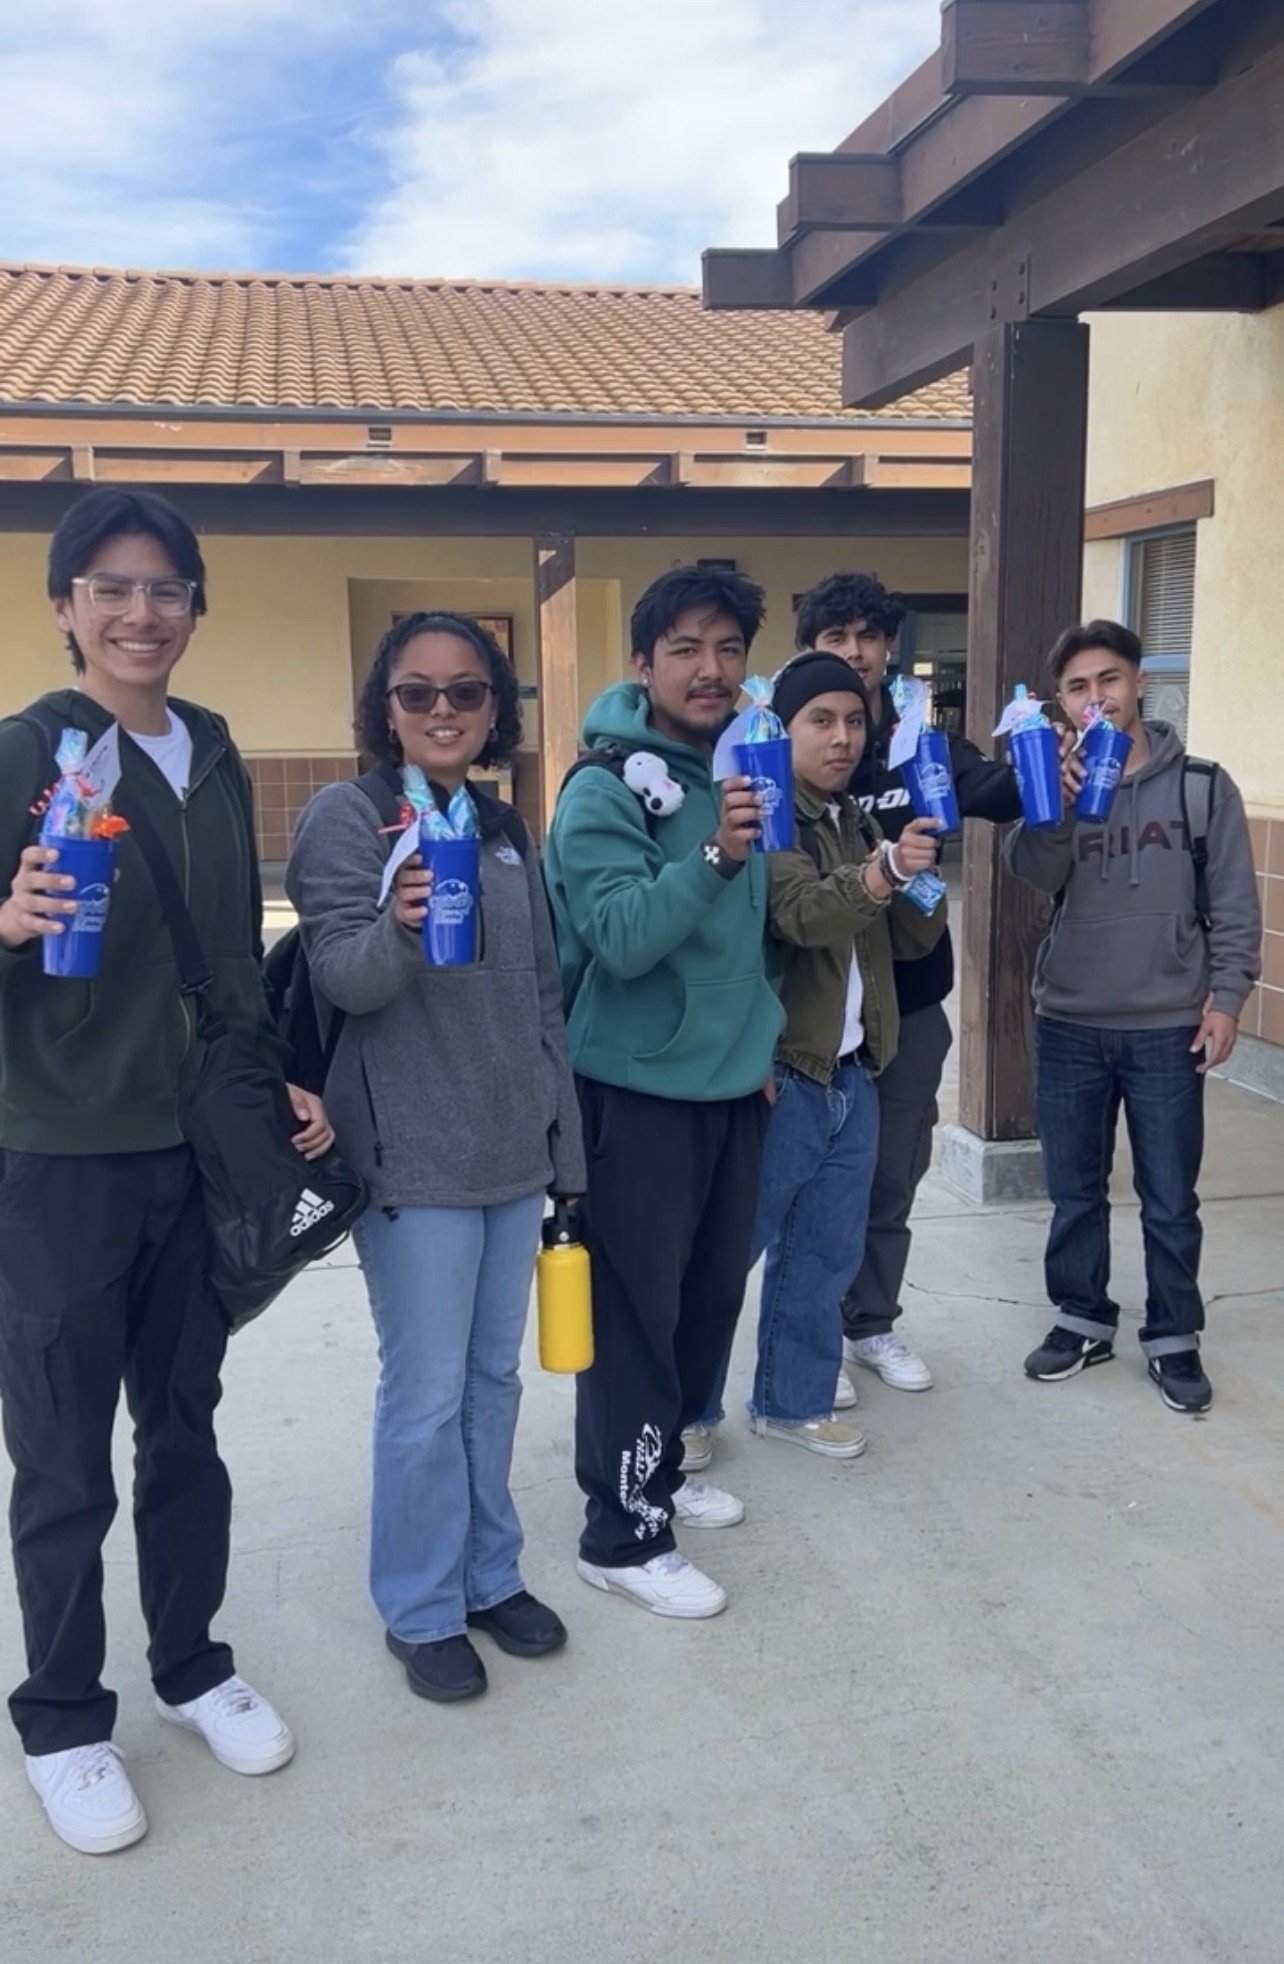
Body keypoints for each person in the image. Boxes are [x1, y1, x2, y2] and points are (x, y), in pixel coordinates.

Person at [0, 488, 329, 1857]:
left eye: (167, 589)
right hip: (61, 1156)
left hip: (194, 1148)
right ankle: (67, 1718)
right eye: (112, 588)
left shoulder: (215, 752)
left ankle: (191, 1663)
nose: (142, 613)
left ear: (196, 607)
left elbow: (230, 948)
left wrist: (272, 1070)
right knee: (64, 1453)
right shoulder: (26, 749)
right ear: (68, 604)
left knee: (184, 1425)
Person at [286, 611, 585, 1702]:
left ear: (496, 707)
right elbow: (343, 979)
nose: (445, 710)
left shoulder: (505, 826)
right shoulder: (348, 818)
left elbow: (543, 995)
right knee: (423, 1395)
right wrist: (400, 923)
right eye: (419, 693)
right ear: (387, 707)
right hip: (412, 1158)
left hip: (513, 1151)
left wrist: (567, 1144)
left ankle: (487, 1571)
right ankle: (419, 1606)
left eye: (467, 691)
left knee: (493, 1381)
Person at [543, 566, 784, 1620]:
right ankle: (622, 1532)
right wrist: (720, 854)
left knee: (703, 1301)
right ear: (643, 663)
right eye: (685, 647)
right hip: (634, 1092)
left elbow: (755, 940)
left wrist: (761, 1041)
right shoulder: (603, 785)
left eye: (728, 647)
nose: (710, 667)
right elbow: (625, 939)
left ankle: (664, 1477)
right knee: (634, 1317)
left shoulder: (734, 765)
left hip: (729, 1086)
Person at [1005, 620, 1261, 1414]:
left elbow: (1233, 905)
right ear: (1061, 702)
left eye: (1108, 681)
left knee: (1168, 1196)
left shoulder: (1202, 785)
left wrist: (1227, 999)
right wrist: (1058, 804)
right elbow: (1029, 871)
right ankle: (1081, 1317)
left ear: (1138, 683)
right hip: (1071, 1019)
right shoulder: (1056, 778)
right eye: (1077, 688)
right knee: (1075, 1190)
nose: (1096, 699)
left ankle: (1173, 1334)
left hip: (1167, 1024)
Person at [704, 655, 947, 1459]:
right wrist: (883, 872)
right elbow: (801, 914)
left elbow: (909, 939)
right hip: (784, 1073)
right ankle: (685, 1415)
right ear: (784, 728)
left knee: (826, 1251)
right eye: (821, 721)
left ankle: (791, 1401)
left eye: (853, 721)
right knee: (728, 1253)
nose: (842, 738)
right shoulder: (770, 812)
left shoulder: (857, 819)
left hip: (853, 1072)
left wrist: (919, 874)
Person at [796, 573, 1023, 1396]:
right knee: (813, 1184)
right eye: (835, 637)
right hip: (817, 1006)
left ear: (889, 648)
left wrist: (1054, 765)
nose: (853, 651)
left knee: (892, 1171)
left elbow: (994, 787)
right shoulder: (789, 743)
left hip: (913, 998)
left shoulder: (918, 742)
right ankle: (808, 1331)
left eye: (867, 635)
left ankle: (871, 1324)